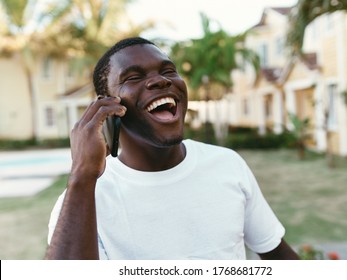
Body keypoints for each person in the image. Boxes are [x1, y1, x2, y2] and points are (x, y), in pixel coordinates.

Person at [45, 37, 299, 260]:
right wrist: (82, 175)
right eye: (133, 77)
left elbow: (277, 253)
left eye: (168, 71)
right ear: (107, 108)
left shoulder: (227, 164)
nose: (159, 81)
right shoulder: (83, 198)